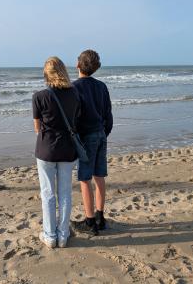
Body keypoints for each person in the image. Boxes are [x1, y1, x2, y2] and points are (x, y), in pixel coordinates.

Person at [33, 57, 80, 248]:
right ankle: (63, 234)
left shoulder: (39, 96)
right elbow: (76, 119)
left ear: (46, 74)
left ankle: (50, 235)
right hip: (68, 148)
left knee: (48, 193)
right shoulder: (75, 94)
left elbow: (37, 127)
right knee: (65, 193)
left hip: (46, 149)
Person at [71, 49, 113, 236]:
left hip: (87, 136)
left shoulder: (75, 88)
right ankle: (100, 216)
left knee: (85, 179)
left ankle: (90, 220)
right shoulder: (101, 86)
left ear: (78, 65)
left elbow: (74, 117)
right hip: (101, 133)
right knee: (99, 176)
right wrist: (105, 132)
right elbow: (108, 114)